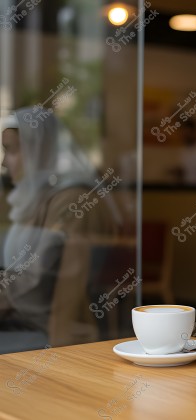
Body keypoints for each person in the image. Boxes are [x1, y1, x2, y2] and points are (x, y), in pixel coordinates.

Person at [0, 107, 119, 353]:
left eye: (11, 150)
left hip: (48, 332)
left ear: (37, 150)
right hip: (18, 320)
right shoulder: (35, 199)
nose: (3, 162)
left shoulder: (72, 201)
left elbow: (57, 283)